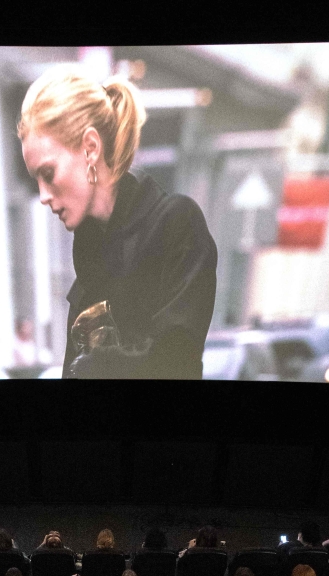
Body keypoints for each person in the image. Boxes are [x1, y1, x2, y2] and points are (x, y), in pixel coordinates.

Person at [19, 69, 216, 379]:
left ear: (91, 148)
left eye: (49, 173)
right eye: (36, 180)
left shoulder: (176, 225)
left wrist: (100, 366)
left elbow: (178, 361)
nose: (43, 196)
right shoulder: (87, 270)